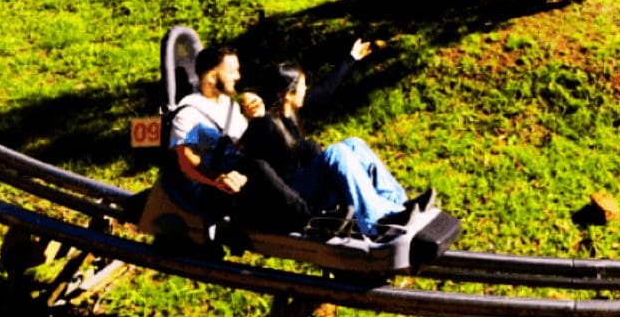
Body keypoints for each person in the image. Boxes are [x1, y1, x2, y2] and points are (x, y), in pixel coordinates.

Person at [241, 40, 436, 238]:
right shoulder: (265, 124)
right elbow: (255, 155)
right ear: (288, 94)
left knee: (353, 143)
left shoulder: (291, 111)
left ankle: (398, 204)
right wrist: (256, 115)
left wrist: (350, 59)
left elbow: (325, 89)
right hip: (293, 193)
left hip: (309, 182)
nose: (306, 88)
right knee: (337, 152)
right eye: (302, 85)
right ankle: (377, 222)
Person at [169, 45, 313, 233]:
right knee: (257, 168)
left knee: (300, 143)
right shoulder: (190, 114)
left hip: (240, 176)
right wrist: (218, 179)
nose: (238, 76)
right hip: (215, 190)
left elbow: (244, 144)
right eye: (232, 71)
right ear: (213, 76)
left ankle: (315, 188)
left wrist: (259, 117)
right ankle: (305, 217)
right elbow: (187, 161)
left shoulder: (227, 106)